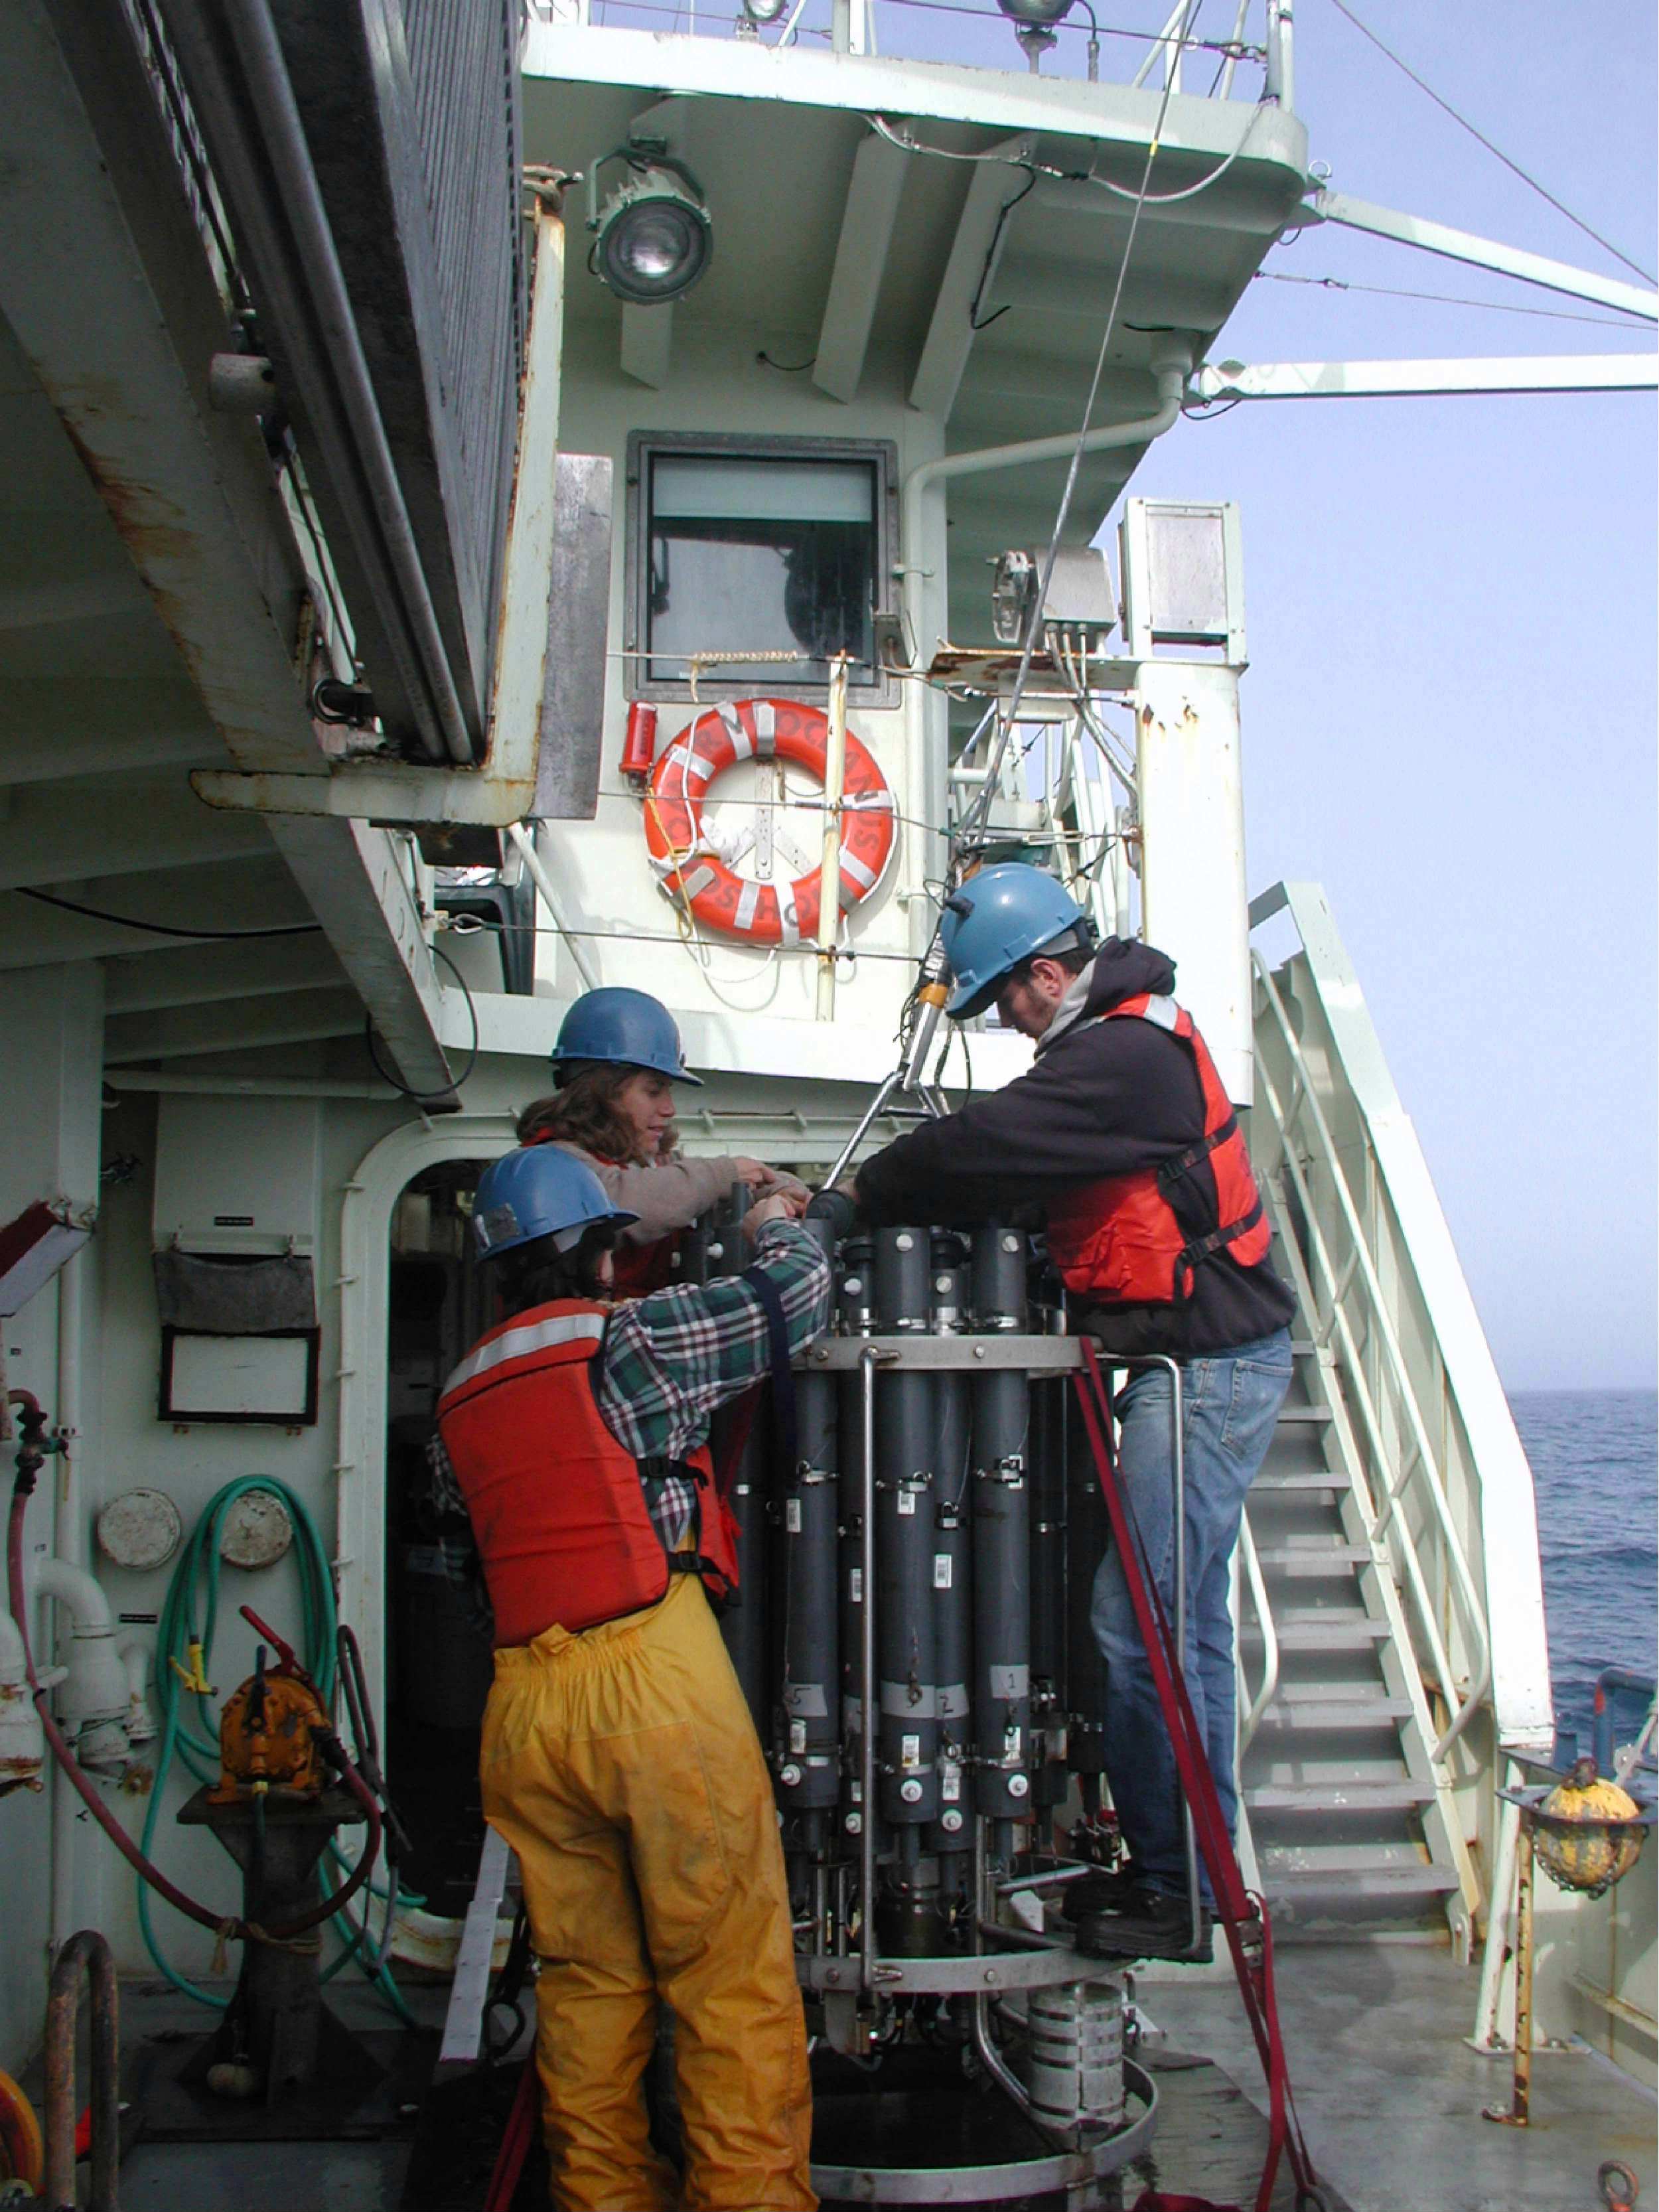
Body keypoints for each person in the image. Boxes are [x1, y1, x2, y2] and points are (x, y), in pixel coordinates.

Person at [851, 863, 1295, 1960]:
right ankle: (1193, 1871)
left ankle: (1172, 1884)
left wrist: (862, 1195)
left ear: (1049, 973)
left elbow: (984, 1146)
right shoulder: (1120, 1045)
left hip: (1206, 1366)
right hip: (1182, 1358)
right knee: (1175, 1624)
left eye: (1005, 995)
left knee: (1138, 1625)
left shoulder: (1121, 1058)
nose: (1003, 1019)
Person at [435, 1143, 826, 2211]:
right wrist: (774, 1220)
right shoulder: (633, 1340)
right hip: (651, 1684)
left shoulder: (461, 1395)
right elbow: (799, 1298)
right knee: (725, 1976)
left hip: (524, 1710)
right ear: (602, 1254)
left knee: (589, 1986)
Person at [517, 985, 805, 1293]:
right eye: (653, 1091)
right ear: (600, 1092)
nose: (669, 1108)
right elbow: (620, 1199)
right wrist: (724, 1175)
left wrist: (782, 1192)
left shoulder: (651, 1168)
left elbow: (682, 1186)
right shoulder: (545, 1170)